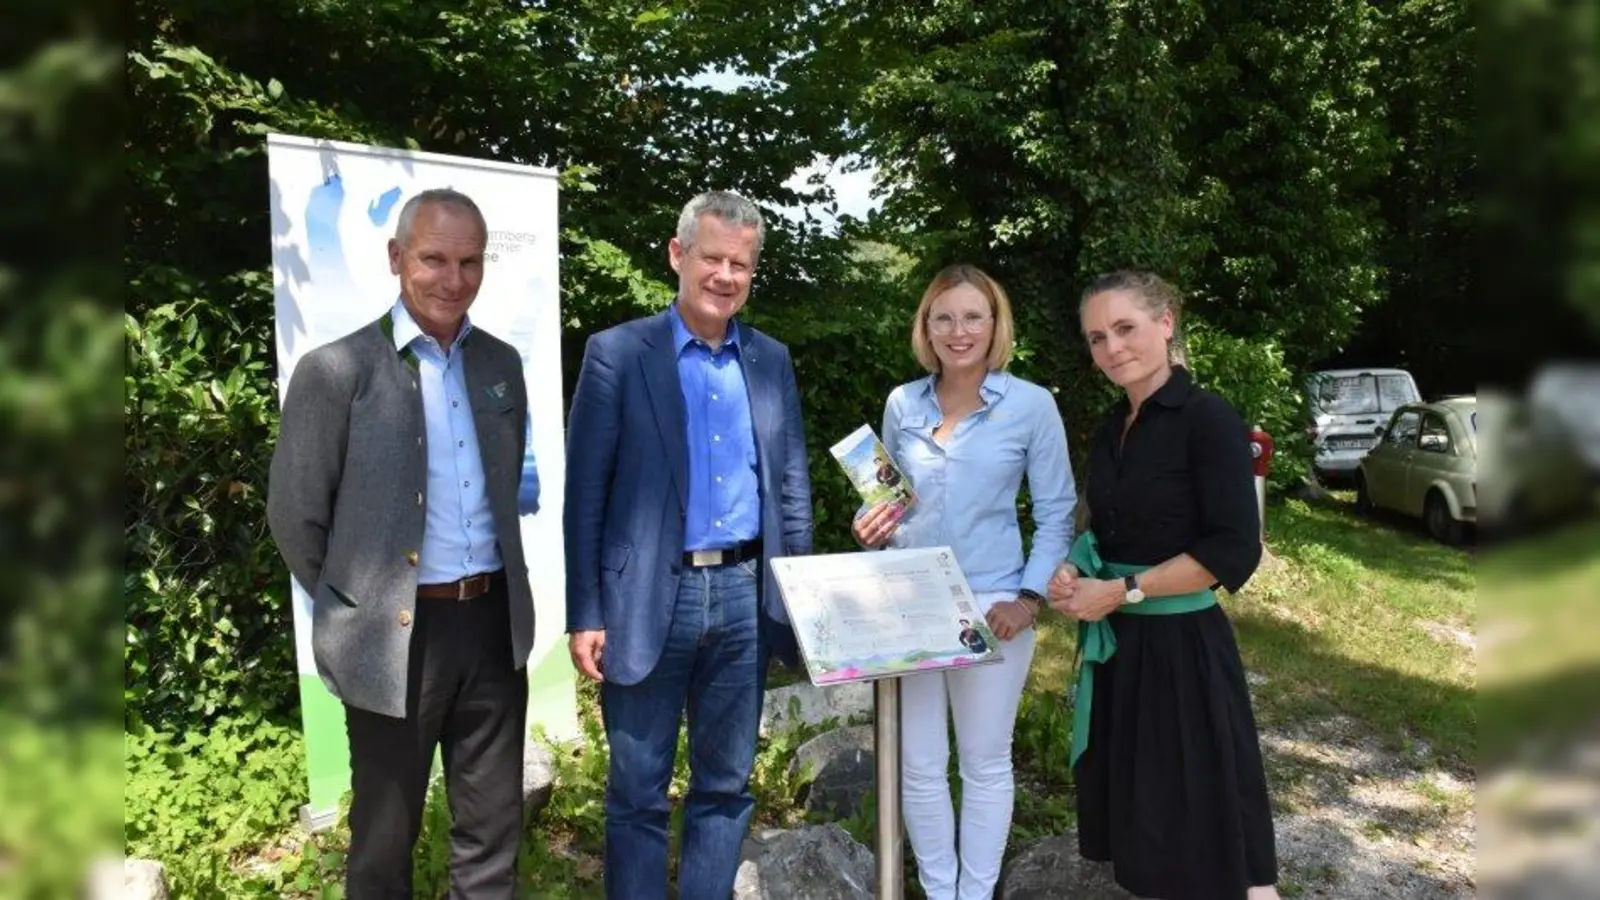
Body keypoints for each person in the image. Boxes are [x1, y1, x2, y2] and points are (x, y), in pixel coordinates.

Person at [267, 188, 540, 899]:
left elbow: (507, 489)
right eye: (434, 259)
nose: (453, 279)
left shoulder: (501, 366)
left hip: (491, 627)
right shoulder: (337, 371)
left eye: (470, 261)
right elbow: (296, 516)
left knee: (491, 832)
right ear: (396, 258)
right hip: (393, 640)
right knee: (384, 843)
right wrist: (356, 604)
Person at [563, 190, 814, 900]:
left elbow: (790, 488)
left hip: (743, 599)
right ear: (679, 255)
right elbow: (586, 495)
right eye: (713, 258)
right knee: (637, 791)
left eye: (741, 263)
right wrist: (586, 610)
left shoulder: (770, 361)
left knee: (727, 787)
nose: (726, 275)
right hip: (647, 598)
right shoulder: (617, 355)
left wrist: (795, 601)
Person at [1048, 270, 1279, 899]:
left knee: (1208, 824)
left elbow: (1231, 549)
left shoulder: (1208, 419)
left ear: (1166, 323)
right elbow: (1105, 529)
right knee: (1146, 824)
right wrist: (1076, 570)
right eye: (1097, 337)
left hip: (1183, 648)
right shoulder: (1108, 426)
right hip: (1123, 652)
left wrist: (1121, 593)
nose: (1112, 348)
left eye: (1125, 328)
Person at [853, 264, 1076, 900]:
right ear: (926, 326)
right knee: (919, 765)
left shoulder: (1033, 405)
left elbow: (1058, 511)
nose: (959, 331)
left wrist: (1028, 598)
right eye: (944, 317)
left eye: (973, 316)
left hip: (993, 605)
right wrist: (869, 524)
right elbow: (887, 503)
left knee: (983, 763)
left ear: (995, 325)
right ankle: (939, 890)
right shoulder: (903, 403)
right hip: (911, 602)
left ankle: (975, 895)